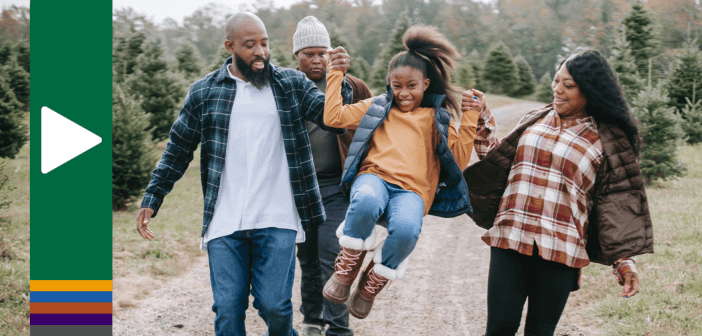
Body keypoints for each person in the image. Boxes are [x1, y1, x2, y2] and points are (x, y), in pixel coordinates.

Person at [134, 12, 354, 336]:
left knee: (276, 307)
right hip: (225, 220)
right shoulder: (204, 92)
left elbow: (333, 119)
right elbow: (178, 150)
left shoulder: (290, 85)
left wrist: (338, 78)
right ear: (230, 46)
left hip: (276, 217)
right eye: (250, 45)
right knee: (228, 310)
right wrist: (153, 197)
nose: (260, 52)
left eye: (264, 43)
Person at [462, 48, 653, 336]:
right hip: (511, 238)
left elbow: (615, 206)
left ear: (589, 90)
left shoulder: (605, 141)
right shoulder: (535, 120)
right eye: (556, 81)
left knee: (540, 332)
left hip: (561, 250)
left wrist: (625, 262)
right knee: (499, 328)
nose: (557, 90)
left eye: (569, 85)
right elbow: (498, 160)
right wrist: (481, 115)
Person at [321, 25, 483, 319]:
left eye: (412, 85)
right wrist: (336, 74)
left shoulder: (437, 118)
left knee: (408, 231)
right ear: (389, 83)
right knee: (367, 201)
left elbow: (458, 162)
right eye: (397, 85)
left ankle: (372, 281)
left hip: (412, 191)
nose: (404, 93)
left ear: (425, 84)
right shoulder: (377, 108)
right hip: (374, 178)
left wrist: (470, 116)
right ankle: (348, 265)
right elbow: (333, 117)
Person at [291, 16, 372, 336]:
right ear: (296, 56)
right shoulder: (287, 87)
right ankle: (312, 319)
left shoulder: (352, 86)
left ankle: (339, 329)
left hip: (338, 188)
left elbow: (376, 126)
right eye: (309, 53)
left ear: (331, 53)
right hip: (298, 191)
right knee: (307, 257)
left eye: (322, 53)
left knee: (332, 256)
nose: (317, 60)